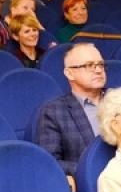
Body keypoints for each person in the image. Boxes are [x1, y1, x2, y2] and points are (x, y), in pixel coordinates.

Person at [33, 43, 107, 178]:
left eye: (100, 64)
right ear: (69, 73)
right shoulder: (54, 111)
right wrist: (90, 168)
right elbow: (50, 160)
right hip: (91, 184)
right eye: (89, 65)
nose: (98, 70)